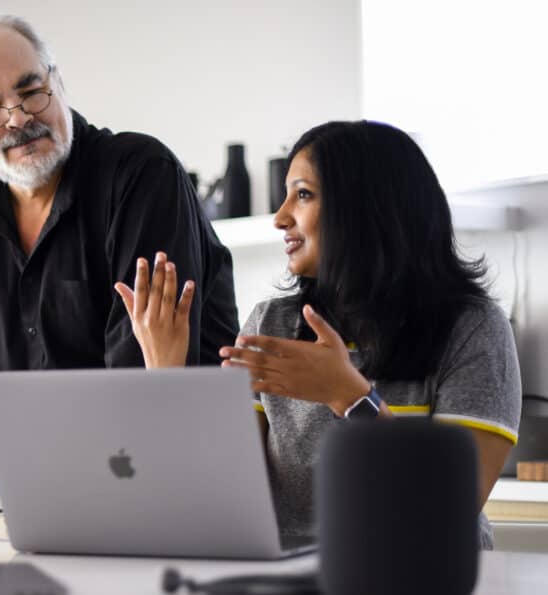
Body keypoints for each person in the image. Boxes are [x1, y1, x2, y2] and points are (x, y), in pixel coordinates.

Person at [0, 14, 238, 515]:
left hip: (176, 483)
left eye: (31, 91)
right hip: (46, 501)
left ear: (58, 82)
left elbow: (141, 356)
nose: (17, 118)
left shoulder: (140, 174)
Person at [122, 120, 521, 549]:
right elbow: (217, 500)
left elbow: (447, 510)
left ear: (369, 207)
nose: (280, 217)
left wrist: (352, 398)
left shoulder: (474, 329)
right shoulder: (270, 325)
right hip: (286, 577)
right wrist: (164, 374)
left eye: (304, 194)